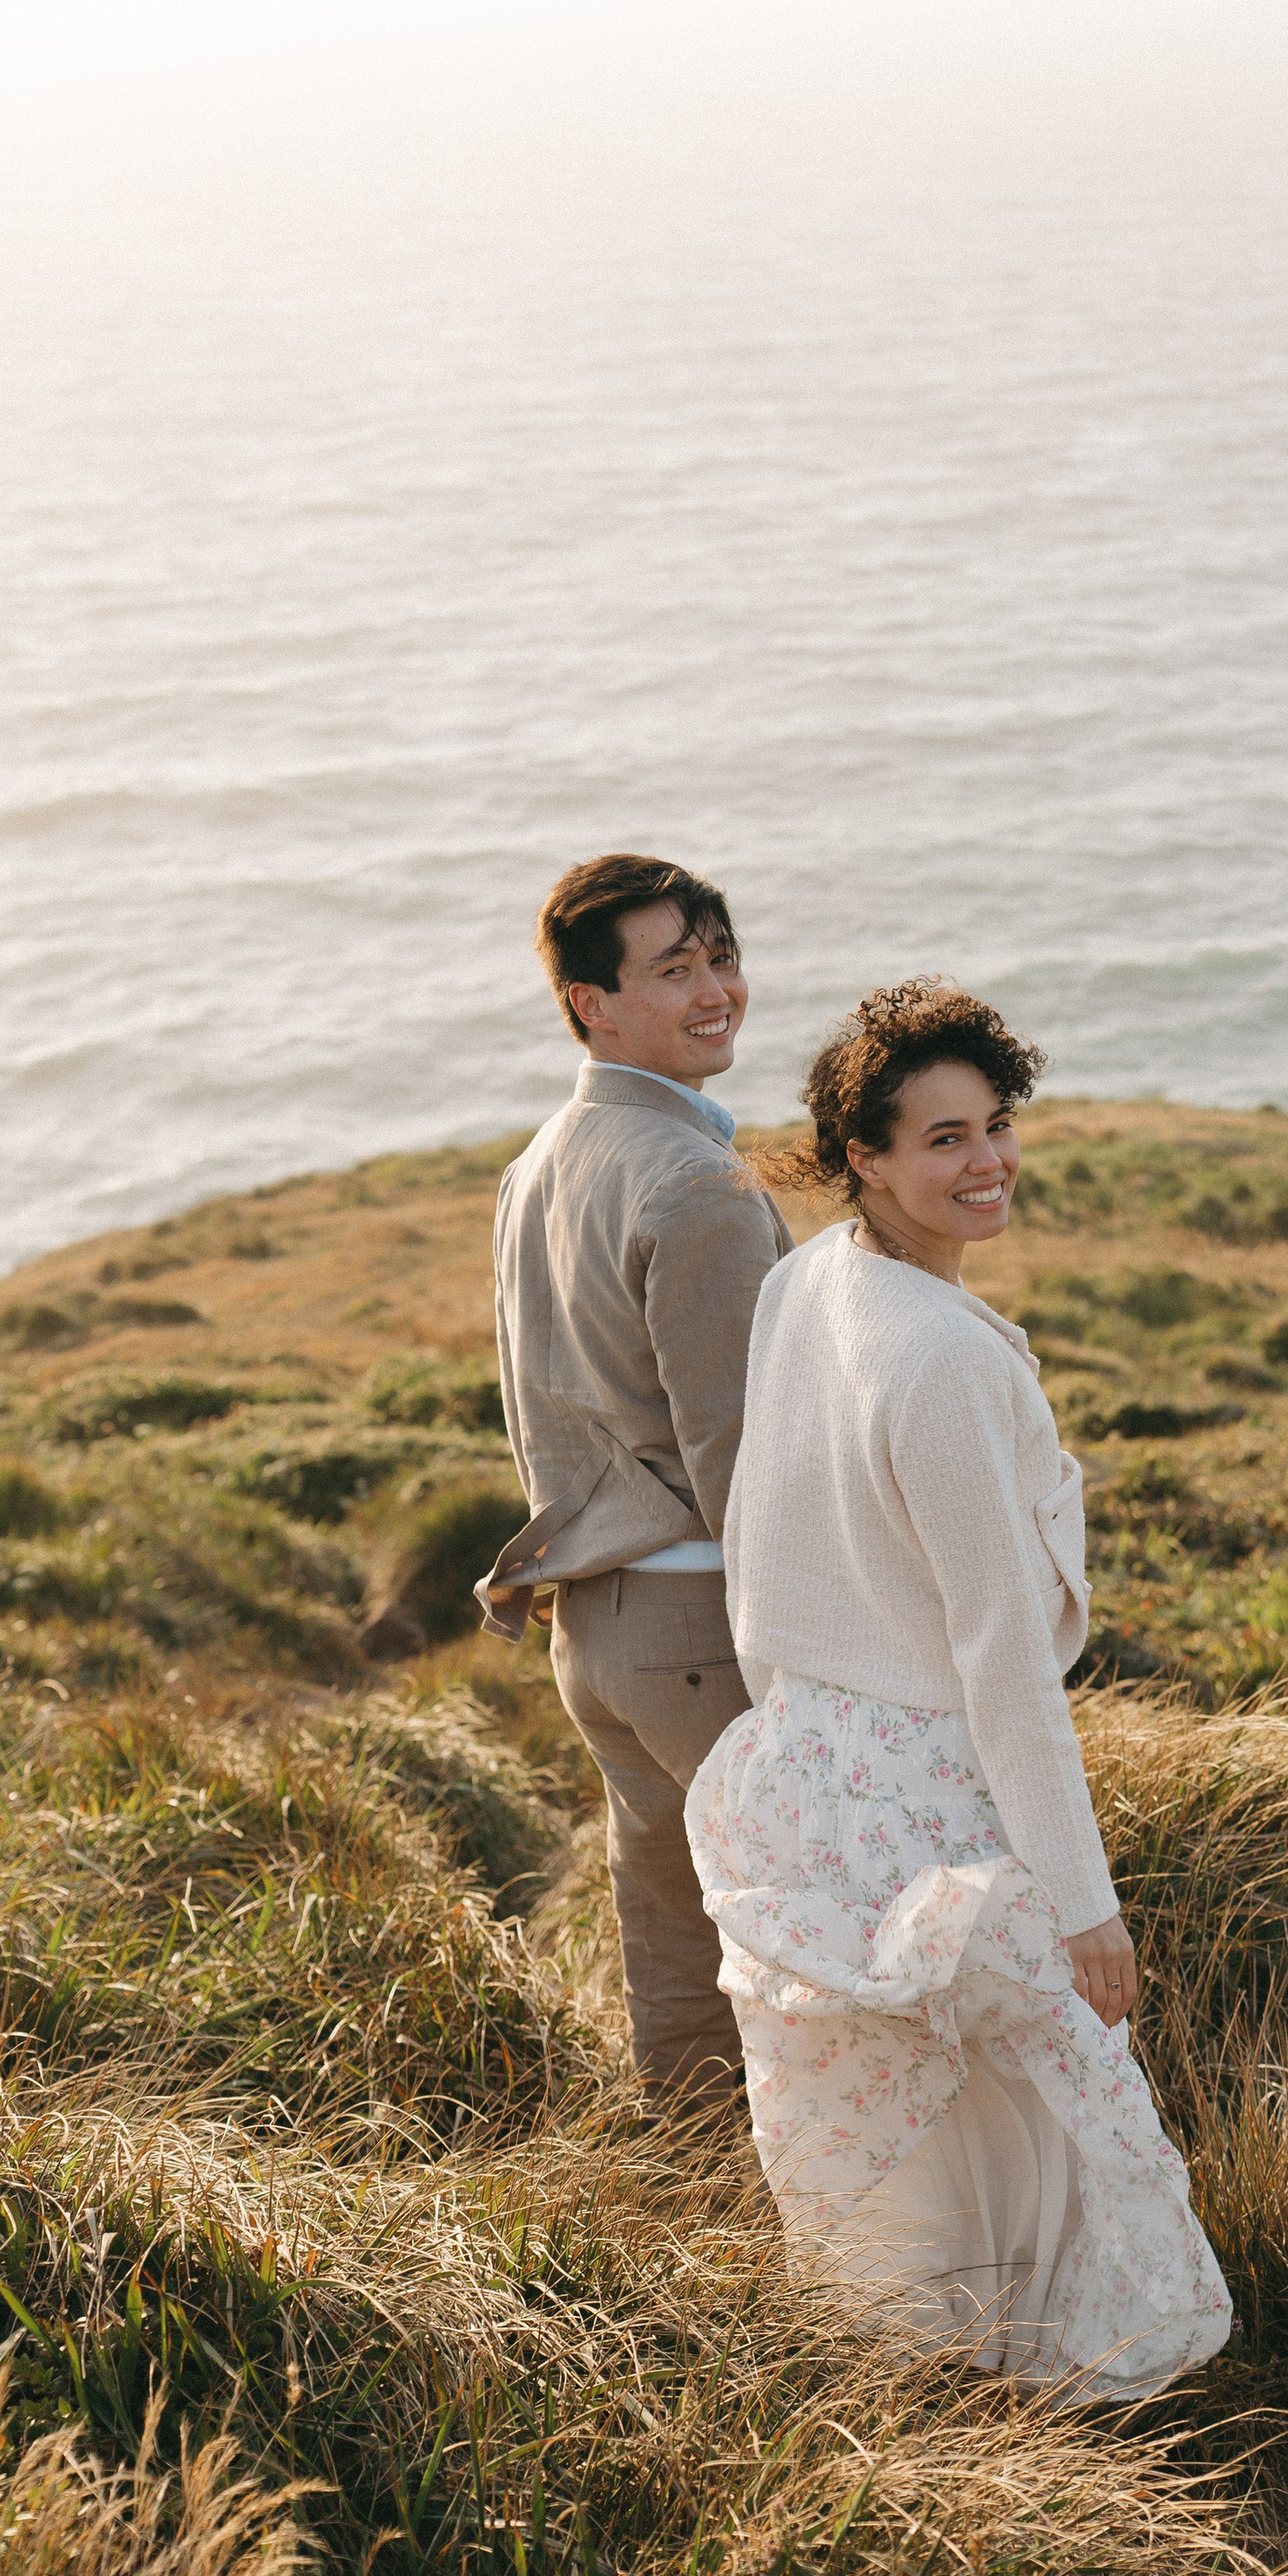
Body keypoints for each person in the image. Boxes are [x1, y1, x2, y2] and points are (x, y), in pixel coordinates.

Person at [685, 979, 1232, 2397]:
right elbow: (1003, 1664)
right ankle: (1061, 2388)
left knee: (899, 2111)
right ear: (862, 1155)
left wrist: (794, 1724)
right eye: (941, 1138)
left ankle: (915, 2384)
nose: (984, 1162)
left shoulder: (811, 1278)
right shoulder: (936, 1361)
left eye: (994, 1126)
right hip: (930, 1777)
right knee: (1047, 2088)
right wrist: (1088, 1905)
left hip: (811, 1755)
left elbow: (765, 1534)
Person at [482, 855, 792, 2112]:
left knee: (672, 1945)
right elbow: (741, 1460)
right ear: (590, 1005)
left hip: (596, 1631)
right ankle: (843, 2239)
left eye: (720, 956)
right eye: (674, 969)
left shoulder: (538, 1163)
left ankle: (696, 2204)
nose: (716, 990)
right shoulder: (698, 1184)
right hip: (702, 1623)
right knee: (800, 1935)